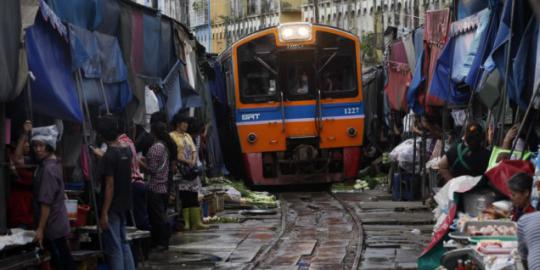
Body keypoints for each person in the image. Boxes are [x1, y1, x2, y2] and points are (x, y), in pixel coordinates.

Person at [31, 125, 76, 270]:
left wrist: (40, 229)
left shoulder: (48, 169)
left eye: (41, 145)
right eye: (35, 145)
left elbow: (46, 204)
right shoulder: (53, 163)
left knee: (61, 262)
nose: (38, 149)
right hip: (59, 223)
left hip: (53, 225)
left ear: (48, 146)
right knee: (63, 259)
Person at [95, 116, 136, 270]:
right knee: (123, 242)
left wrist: (104, 212)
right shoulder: (126, 150)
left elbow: (109, 185)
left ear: (102, 135)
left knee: (114, 246)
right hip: (124, 202)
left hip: (112, 206)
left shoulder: (109, 155)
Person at [169, 113, 208, 230]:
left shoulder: (188, 136)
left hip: (191, 169)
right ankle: (187, 222)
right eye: (184, 123)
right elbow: (174, 154)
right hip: (181, 170)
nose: (186, 125)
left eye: (186, 123)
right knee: (185, 196)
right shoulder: (172, 136)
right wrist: (186, 161)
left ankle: (196, 221)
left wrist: (193, 160)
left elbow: (193, 150)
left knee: (193, 195)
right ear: (178, 124)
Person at [145, 122, 171, 250]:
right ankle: (162, 241)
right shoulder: (163, 146)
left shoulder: (156, 148)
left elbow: (152, 169)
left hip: (155, 186)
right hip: (162, 185)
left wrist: (138, 161)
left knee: (157, 216)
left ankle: (161, 242)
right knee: (160, 214)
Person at [7, 121, 35, 228]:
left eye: (28, 142)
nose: (27, 145)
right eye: (24, 142)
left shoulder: (30, 159)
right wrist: (24, 134)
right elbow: (17, 159)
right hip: (19, 203)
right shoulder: (13, 159)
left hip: (30, 203)